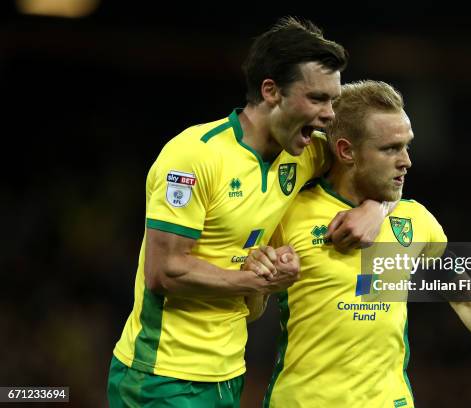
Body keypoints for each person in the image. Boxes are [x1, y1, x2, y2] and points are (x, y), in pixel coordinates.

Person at [107, 18, 394, 407]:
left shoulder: (306, 152)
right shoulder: (195, 156)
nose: (329, 115)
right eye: (317, 99)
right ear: (271, 91)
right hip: (162, 375)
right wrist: (260, 281)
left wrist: (376, 208)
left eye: (333, 100)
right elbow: (165, 271)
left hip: (229, 374)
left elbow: (384, 166)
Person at [248, 80, 471, 407]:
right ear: (346, 151)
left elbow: (466, 296)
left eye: (407, 146)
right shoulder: (289, 214)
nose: (406, 161)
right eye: (390, 149)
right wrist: (257, 280)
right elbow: (249, 310)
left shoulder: (415, 220)